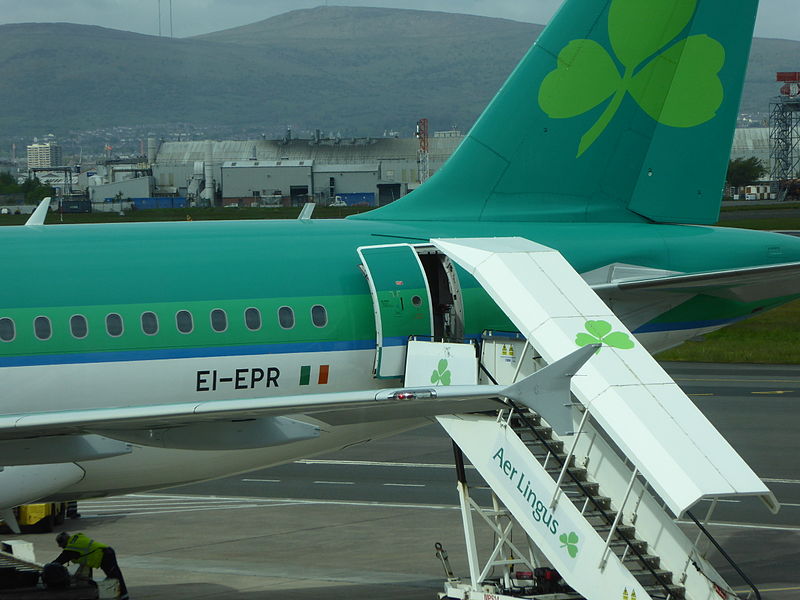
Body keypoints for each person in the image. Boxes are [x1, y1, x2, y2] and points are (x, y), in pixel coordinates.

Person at [54, 532, 129, 600]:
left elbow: (59, 561)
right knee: (114, 575)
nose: (61, 547)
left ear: (63, 543)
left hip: (104, 556)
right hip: (106, 551)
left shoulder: (71, 549)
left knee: (114, 576)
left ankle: (124, 596)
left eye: (61, 545)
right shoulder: (77, 537)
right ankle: (119, 594)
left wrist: (47, 567)